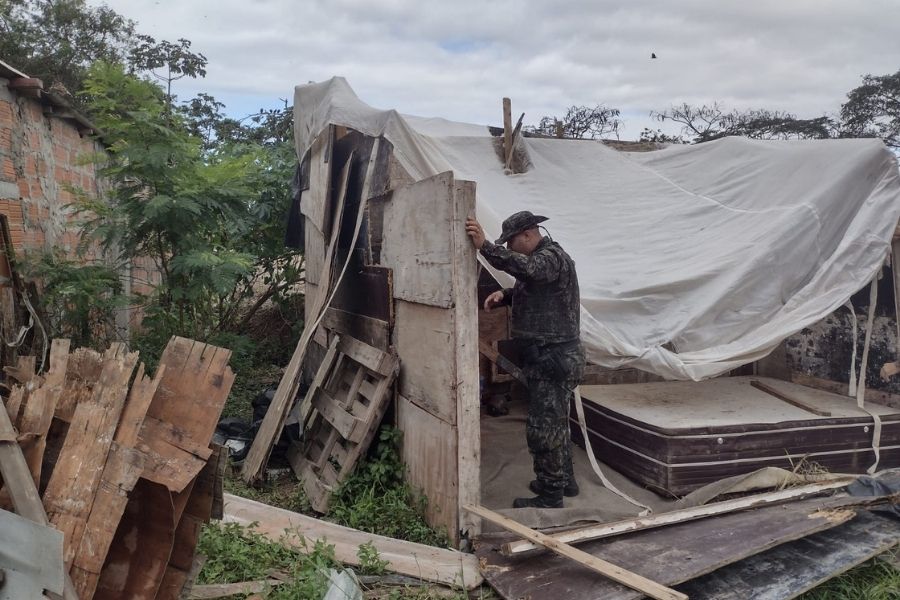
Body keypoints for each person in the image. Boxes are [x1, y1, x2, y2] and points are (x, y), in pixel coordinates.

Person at [465, 211, 585, 508]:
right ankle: (562, 481)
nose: (510, 248)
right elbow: (537, 288)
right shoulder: (547, 260)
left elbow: (531, 270)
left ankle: (549, 495)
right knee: (556, 423)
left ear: (529, 235)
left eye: (511, 243)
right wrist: (506, 295)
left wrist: (486, 247)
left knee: (543, 428)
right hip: (553, 357)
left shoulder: (551, 257)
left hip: (553, 357)